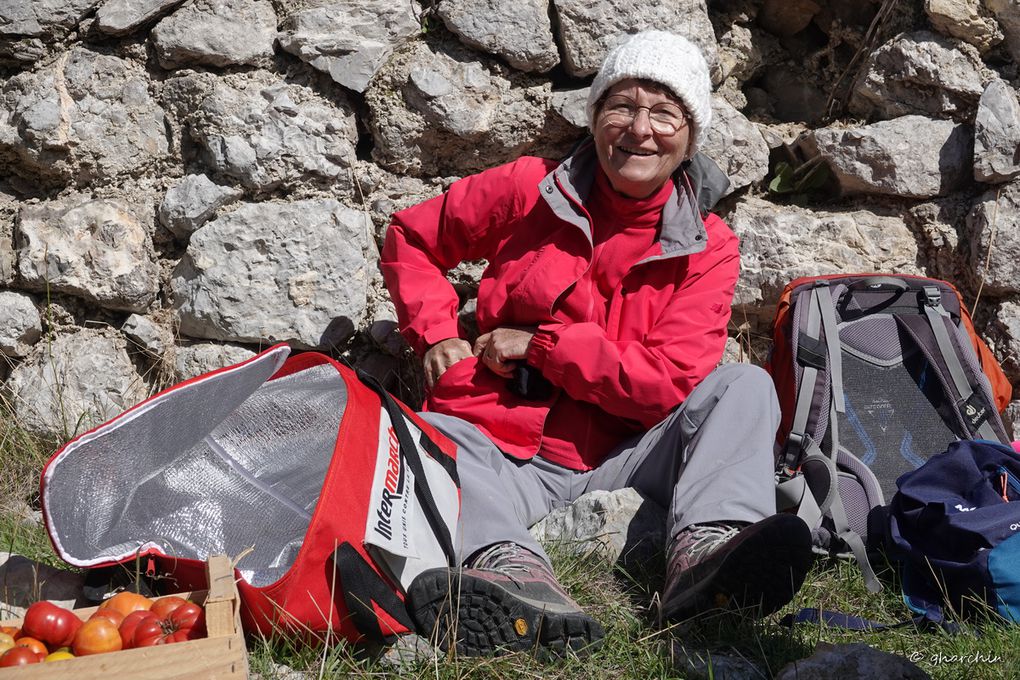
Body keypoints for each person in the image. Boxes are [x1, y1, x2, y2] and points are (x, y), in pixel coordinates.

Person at [380, 30, 813, 656]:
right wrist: (437, 333)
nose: (640, 130)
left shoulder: (709, 245)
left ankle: (707, 556)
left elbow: (665, 383)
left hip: (628, 452)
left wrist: (542, 347)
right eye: (622, 107)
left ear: (690, 137)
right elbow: (412, 238)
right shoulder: (527, 189)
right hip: (498, 444)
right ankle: (515, 574)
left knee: (742, 385)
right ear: (595, 119)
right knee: (422, 436)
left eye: (665, 113)